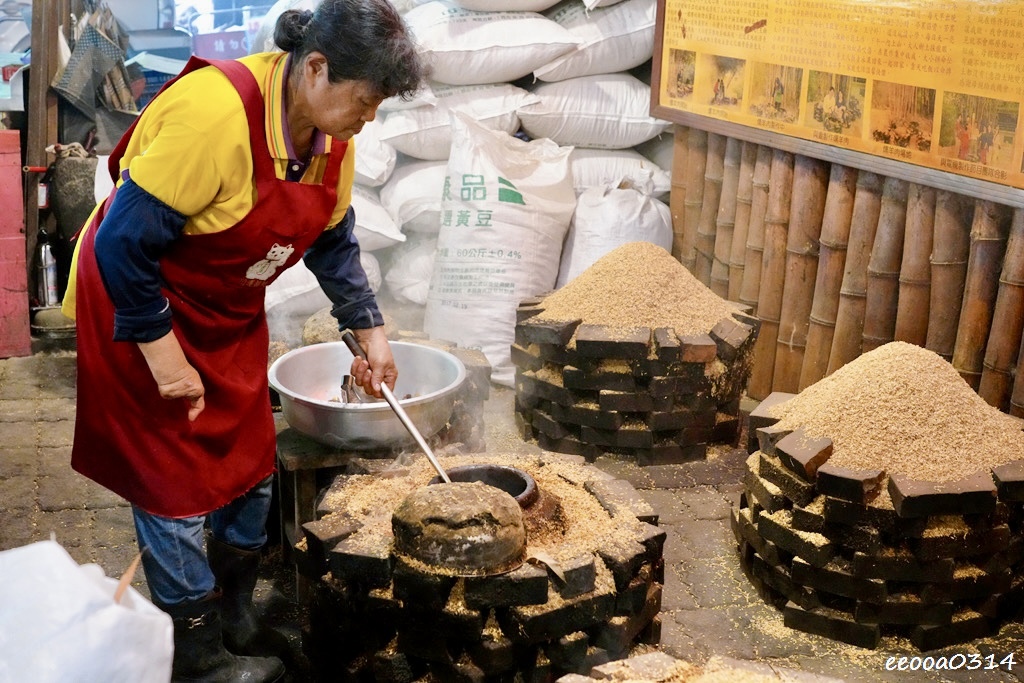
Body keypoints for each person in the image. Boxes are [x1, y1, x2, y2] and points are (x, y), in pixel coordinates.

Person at [60, 1, 425, 680]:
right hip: (139, 301)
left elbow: (333, 241)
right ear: (316, 69)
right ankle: (197, 653)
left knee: (250, 467)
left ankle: (236, 616)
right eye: (365, 101)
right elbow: (122, 244)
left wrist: (370, 331)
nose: (369, 118)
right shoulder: (215, 116)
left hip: (225, 312)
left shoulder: (331, 138)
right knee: (171, 483)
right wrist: (163, 357)